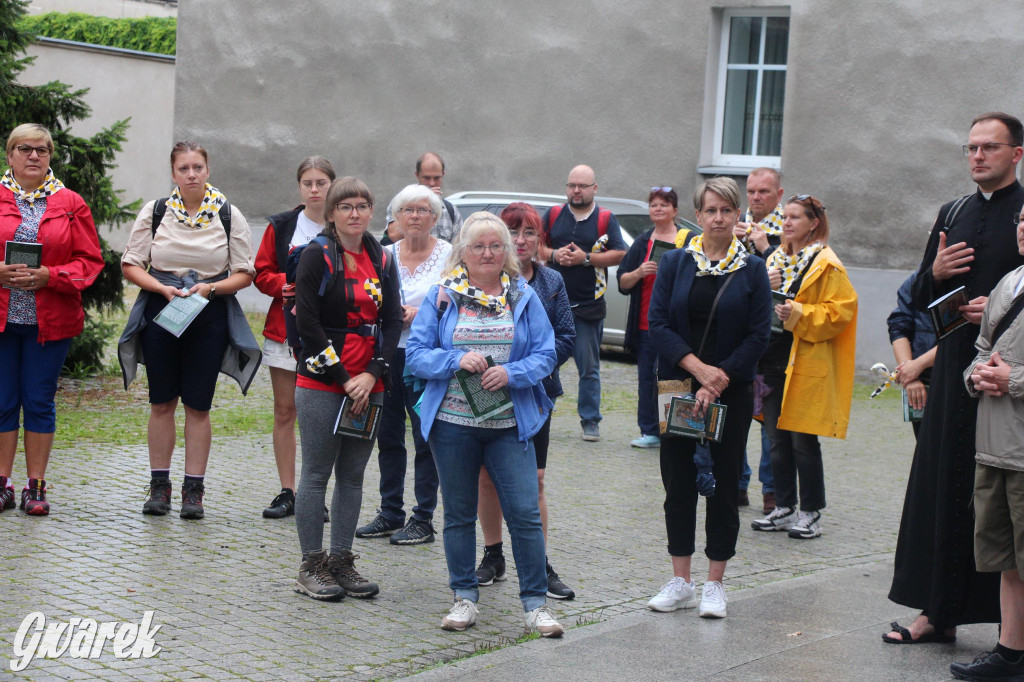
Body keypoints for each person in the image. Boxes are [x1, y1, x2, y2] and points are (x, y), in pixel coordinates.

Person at [886, 112, 1024, 644]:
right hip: (951, 371)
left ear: (1015, 153)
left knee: (1003, 500)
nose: (977, 157)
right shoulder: (955, 211)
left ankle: (1011, 632)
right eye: (970, 148)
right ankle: (934, 612)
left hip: (1007, 378)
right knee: (941, 488)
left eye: (989, 148)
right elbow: (919, 296)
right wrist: (935, 274)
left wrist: (1002, 305)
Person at [405, 211, 564, 637]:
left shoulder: (523, 296)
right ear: (464, 253)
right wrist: (455, 360)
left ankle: (535, 605)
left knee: (526, 513)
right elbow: (416, 354)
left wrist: (512, 374)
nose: (488, 253)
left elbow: (546, 355)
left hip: (510, 424)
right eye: (478, 246)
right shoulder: (444, 296)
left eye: (496, 245)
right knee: (458, 514)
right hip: (452, 423)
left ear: (507, 252)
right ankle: (464, 598)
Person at [645, 177, 771, 619]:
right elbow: (657, 324)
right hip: (678, 387)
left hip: (729, 390)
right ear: (697, 216)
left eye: (727, 211)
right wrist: (697, 370)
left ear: (738, 217)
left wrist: (718, 379)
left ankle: (715, 584)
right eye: (711, 210)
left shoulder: (752, 268)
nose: (719, 218)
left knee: (724, 484)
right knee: (677, 483)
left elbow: (760, 334)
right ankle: (681, 580)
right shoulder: (676, 262)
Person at [120, 141, 259, 521]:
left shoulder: (229, 214)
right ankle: (159, 487)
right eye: (184, 168)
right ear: (173, 173)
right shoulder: (157, 211)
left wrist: (210, 288)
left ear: (208, 171)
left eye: (198, 167)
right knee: (162, 401)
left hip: (208, 313)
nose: (192, 174)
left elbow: (246, 272)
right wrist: (160, 287)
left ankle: (193, 490)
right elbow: (131, 263)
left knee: (198, 404)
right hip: (162, 311)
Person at [291, 177, 402, 601]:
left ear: (371, 211)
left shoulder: (381, 257)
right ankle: (311, 565)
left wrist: (372, 374)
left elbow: (392, 320)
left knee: (353, 476)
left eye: (362, 206)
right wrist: (344, 379)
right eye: (346, 207)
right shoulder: (316, 256)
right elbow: (308, 324)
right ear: (332, 213)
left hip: (369, 383)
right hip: (323, 381)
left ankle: (341, 560)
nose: (354, 213)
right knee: (317, 473)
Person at [0, 123, 103, 516]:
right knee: (3, 402)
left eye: (42, 150)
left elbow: (90, 263)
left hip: (51, 321)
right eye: (24, 149)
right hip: (2, 320)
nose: (33, 156)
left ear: (50, 156)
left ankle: (35, 487)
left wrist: (50, 276)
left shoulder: (71, 203)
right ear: (10, 155)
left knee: (39, 402)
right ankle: (3, 484)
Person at [475, 202, 576, 599]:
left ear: (540, 239)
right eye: (512, 232)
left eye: (529, 233)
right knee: (486, 478)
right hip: (487, 390)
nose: (521, 240)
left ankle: (540, 565)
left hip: (535, 393)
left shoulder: (551, 282)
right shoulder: (481, 280)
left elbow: (565, 337)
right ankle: (493, 555)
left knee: (534, 479)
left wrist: (528, 369)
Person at [750, 195, 857, 540]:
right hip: (770, 357)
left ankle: (811, 512)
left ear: (814, 223)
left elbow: (841, 312)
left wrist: (797, 313)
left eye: (796, 217)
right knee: (776, 438)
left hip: (804, 362)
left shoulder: (826, 263)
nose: (788, 223)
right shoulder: (774, 260)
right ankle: (784, 506)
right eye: (786, 217)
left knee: (802, 440)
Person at [355, 184, 451, 545]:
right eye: (407, 210)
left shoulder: (448, 256)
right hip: (386, 354)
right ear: (395, 217)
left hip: (427, 357)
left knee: (426, 435)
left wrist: (422, 312)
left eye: (423, 210)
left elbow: (457, 299)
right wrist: (391, 313)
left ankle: (423, 517)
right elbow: (366, 297)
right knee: (388, 434)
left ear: (436, 218)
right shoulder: (383, 255)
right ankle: (390, 511)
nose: (415, 216)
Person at [950, 212, 1024, 679]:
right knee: (1006, 558)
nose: (1023, 228)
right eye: (1022, 220)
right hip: (993, 445)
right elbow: (981, 348)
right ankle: (1009, 652)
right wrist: (976, 375)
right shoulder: (1009, 282)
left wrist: (1013, 379)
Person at [254, 156, 336, 519]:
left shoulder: (343, 225)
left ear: (332, 184)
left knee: (319, 415)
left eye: (321, 182)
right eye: (308, 183)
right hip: (284, 331)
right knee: (285, 409)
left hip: (330, 334)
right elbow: (261, 273)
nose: (315, 189)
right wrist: (293, 287)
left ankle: (315, 492)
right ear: (300, 187)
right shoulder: (283, 225)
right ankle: (288, 490)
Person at [538, 164, 627, 442]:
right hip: (551, 304)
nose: (576, 190)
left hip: (588, 305)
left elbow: (620, 253)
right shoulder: (553, 215)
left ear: (594, 189)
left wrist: (585, 259)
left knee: (589, 368)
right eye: (571, 185)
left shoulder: (605, 217)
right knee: (544, 362)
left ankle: (590, 420)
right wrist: (555, 255)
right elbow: (535, 246)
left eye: (582, 186)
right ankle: (540, 411)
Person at [617, 186, 692, 449]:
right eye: (653, 205)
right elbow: (623, 282)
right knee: (648, 379)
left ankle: (676, 430)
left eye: (664, 204)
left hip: (679, 326)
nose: (658, 209)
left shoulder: (690, 239)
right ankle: (650, 431)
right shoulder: (642, 242)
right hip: (646, 324)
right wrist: (639, 272)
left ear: (675, 209)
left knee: (676, 378)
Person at [735, 167, 786, 513]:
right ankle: (736, 483)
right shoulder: (735, 223)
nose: (755, 198)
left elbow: (790, 282)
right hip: (739, 336)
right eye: (751, 191)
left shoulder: (790, 228)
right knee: (735, 413)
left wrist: (766, 247)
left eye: (763, 192)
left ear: (778, 194)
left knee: (770, 421)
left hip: (773, 343)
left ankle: (772, 489)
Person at [886, 271, 937, 439]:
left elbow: (962, 336)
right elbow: (899, 325)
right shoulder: (917, 280)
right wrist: (910, 374)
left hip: (955, 379)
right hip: (920, 381)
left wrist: (917, 366)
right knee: (924, 449)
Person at [382, 152, 462, 245]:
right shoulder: (401, 202)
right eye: (427, 178)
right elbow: (394, 235)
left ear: (443, 175)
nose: (432, 183)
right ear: (417, 175)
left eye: (437, 178)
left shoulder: (451, 210)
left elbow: (458, 250)